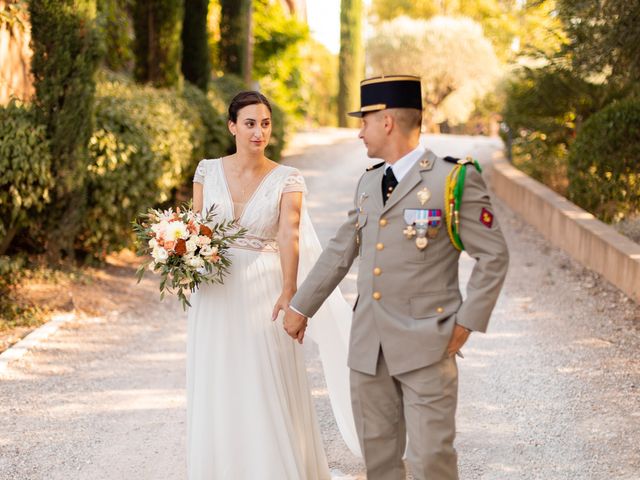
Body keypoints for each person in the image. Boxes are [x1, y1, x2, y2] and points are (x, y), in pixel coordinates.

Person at [284, 75, 510, 480]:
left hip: (427, 346)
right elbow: (341, 250)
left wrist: (465, 324)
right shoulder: (370, 182)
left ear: (386, 121)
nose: (359, 132)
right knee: (380, 463)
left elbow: (493, 255)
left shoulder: (453, 179)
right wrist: (301, 305)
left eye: (365, 121)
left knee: (431, 463)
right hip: (370, 347)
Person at [187, 91, 359, 479]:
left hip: (263, 290)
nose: (258, 132)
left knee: (265, 380)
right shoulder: (206, 170)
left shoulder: (288, 178)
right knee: (219, 377)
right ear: (232, 126)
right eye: (250, 123)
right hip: (213, 288)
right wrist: (180, 254)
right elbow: (195, 226)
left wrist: (289, 290)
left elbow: (289, 235)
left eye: (265, 124)